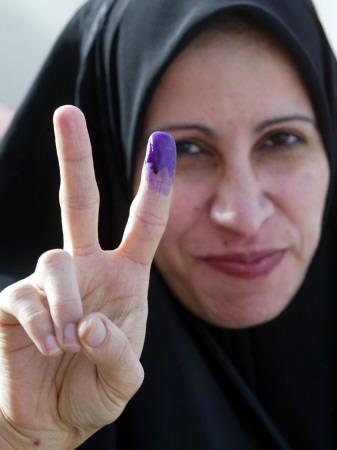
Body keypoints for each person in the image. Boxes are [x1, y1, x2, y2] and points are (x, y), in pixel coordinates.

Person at [0, 0, 335, 449]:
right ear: (113, 165)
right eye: (189, 150)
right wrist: (24, 437)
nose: (242, 215)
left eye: (281, 139)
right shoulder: (27, 356)